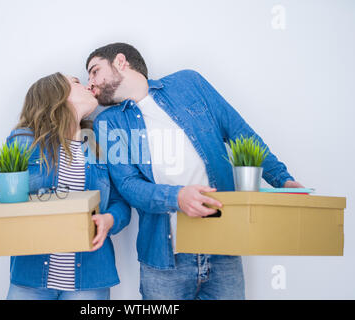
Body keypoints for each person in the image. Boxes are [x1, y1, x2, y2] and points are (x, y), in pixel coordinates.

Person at [86, 42, 304, 300]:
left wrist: (283, 179)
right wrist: (176, 197)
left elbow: (239, 133)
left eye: (94, 71)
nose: (90, 82)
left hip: (223, 248)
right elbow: (129, 185)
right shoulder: (107, 122)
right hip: (164, 261)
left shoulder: (188, 83)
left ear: (120, 62)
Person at [0, 72, 131, 300]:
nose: (86, 85)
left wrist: (109, 220)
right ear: (56, 95)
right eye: (76, 82)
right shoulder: (23, 141)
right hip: (31, 278)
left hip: (89, 279)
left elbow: (121, 203)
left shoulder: (101, 144)